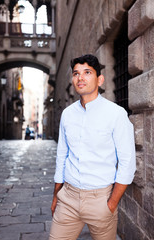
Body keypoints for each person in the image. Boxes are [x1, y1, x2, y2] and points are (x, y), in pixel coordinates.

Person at [49, 54, 136, 240]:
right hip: (68, 198)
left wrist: (111, 204)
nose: (80, 78)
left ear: (100, 79)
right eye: (76, 73)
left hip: (101, 200)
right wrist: (57, 195)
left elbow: (128, 162)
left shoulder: (116, 114)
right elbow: (62, 155)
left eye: (87, 72)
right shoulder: (67, 114)